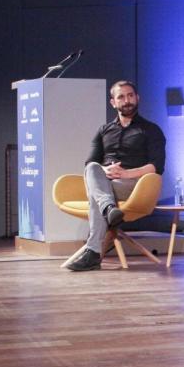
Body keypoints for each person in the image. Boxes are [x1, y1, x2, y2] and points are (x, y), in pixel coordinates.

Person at [63, 81, 166, 271]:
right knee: (93, 168)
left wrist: (126, 173)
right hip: (106, 182)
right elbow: (90, 163)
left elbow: (157, 166)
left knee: (97, 194)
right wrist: (105, 171)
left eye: (130, 96)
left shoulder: (151, 130)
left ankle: (94, 251)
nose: (126, 100)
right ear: (113, 102)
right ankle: (109, 208)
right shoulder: (103, 131)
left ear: (137, 98)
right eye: (121, 97)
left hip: (134, 185)